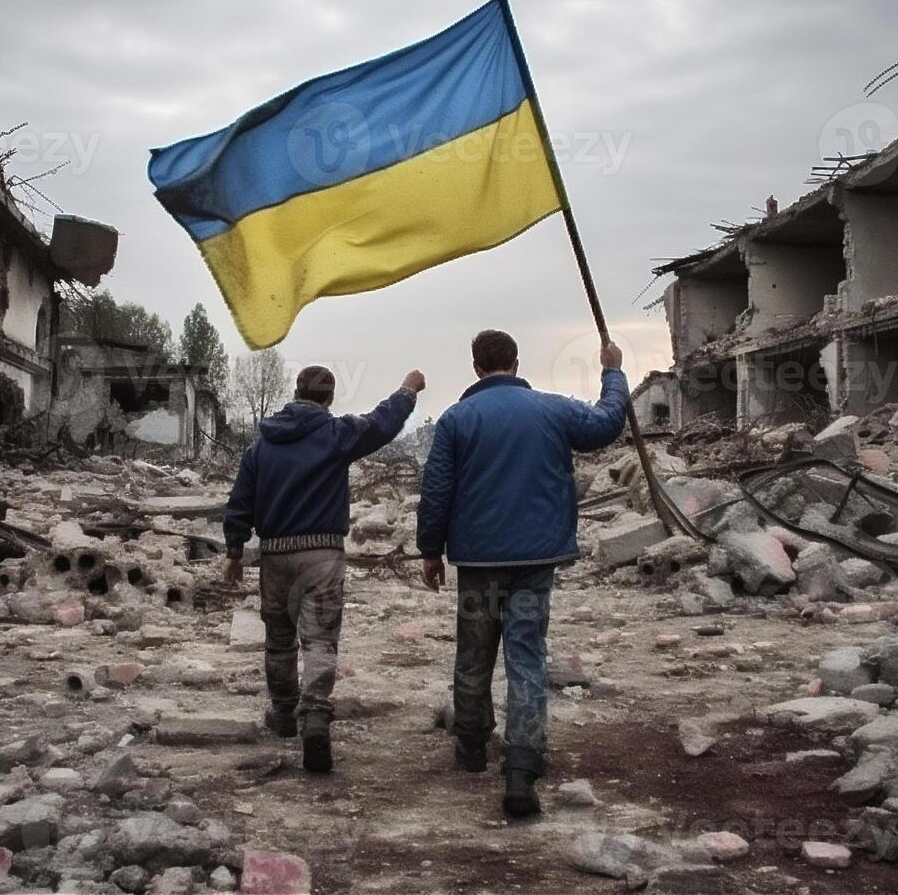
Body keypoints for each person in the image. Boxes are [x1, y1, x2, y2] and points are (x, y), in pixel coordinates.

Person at [417, 330, 626, 817]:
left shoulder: (456, 420)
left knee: (473, 655)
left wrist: (431, 549)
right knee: (527, 659)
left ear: (476, 367)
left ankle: (471, 749)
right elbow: (605, 425)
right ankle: (521, 768)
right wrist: (612, 371)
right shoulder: (553, 410)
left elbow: (437, 490)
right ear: (516, 361)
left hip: (477, 563)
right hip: (534, 561)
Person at [224, 364, 425, 772]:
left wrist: (233, 550)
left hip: (275, 556)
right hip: (323, 556)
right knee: (319, 642)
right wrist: (407, 390)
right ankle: (314, 716)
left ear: (296, 392)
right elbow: (380, 424)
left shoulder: (261, 446)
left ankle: (283, 716)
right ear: (329, 397)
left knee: (279, 640)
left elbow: (240, 501)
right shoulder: (335, 435)